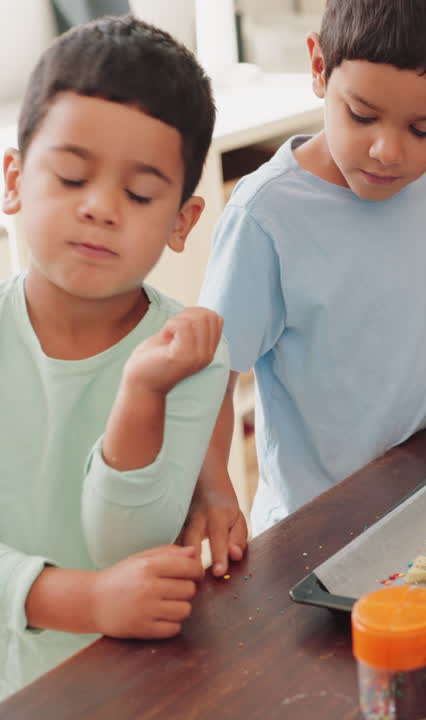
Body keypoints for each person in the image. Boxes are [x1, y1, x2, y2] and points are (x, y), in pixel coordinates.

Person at [195, 0, 426, 538]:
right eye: (362, 115)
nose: (388, 152)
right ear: (319, 67)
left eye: (423, 128)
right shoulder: (266, 217)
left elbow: (404, 298)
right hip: (316, 526)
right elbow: (212, 370)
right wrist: (213, 492)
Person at [0, 17, 228, 697]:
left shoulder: (186, 356)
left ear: (182, 222)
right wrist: (87, 600)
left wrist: (142, 391)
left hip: (139, 684)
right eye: (71, 178)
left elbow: (126, 550)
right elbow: (109, 583)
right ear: (12, 180)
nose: (100, 208)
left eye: (138, 194)